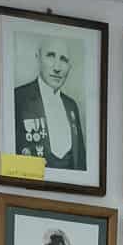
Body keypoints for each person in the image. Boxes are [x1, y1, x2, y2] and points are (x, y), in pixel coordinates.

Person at [13, 36, 87, 172]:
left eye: (64, 60)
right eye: (51, 56)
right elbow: (7, 164)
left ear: (70, 66)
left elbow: (81, 164)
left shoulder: (71, 106)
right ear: (38, 58)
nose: (57, 68)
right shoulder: (17, 98)